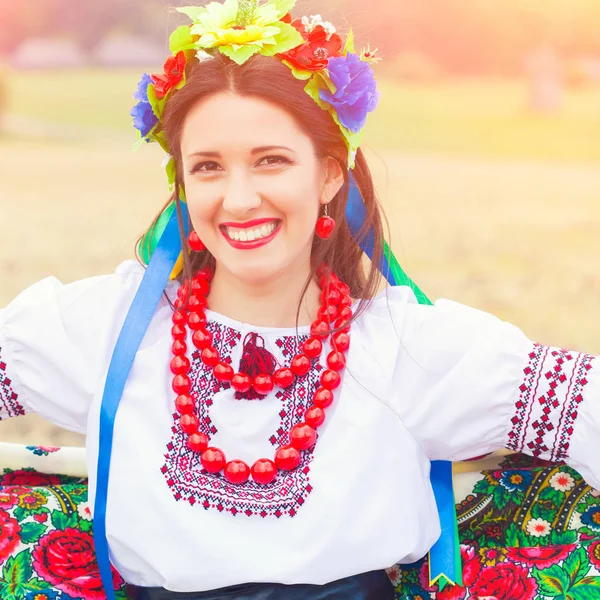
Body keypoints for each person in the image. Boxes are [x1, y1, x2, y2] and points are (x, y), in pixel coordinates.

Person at [0, 1, 599, 598]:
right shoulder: (107, 327)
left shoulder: (402, 346)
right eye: (208, 167)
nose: (238, 200)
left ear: (331, 174)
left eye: (272, 161)